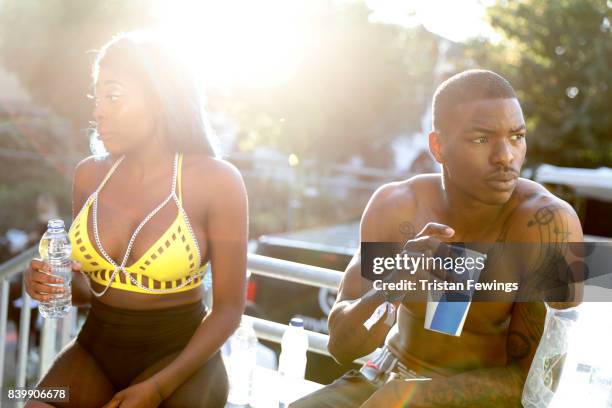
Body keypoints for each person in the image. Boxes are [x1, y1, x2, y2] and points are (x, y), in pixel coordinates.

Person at [291, 69, 584, 407]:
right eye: (482, 139)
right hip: (385, 376)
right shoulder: (397, 207)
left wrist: (413, 397)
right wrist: (393, 281)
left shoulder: (546, 226)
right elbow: (342, 348)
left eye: (516, 137)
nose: (505, 156)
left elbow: (537, 384)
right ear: (438, 146)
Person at [24, 31, 248, 408]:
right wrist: (53, 285)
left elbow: (228, 309)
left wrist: (159, 388)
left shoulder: (216, 180)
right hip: (95, 351)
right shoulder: (89, 176)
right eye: (97, 98)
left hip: (181, 359)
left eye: (113, 96)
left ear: (161, 98)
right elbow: (93, 288)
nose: (98, 111)